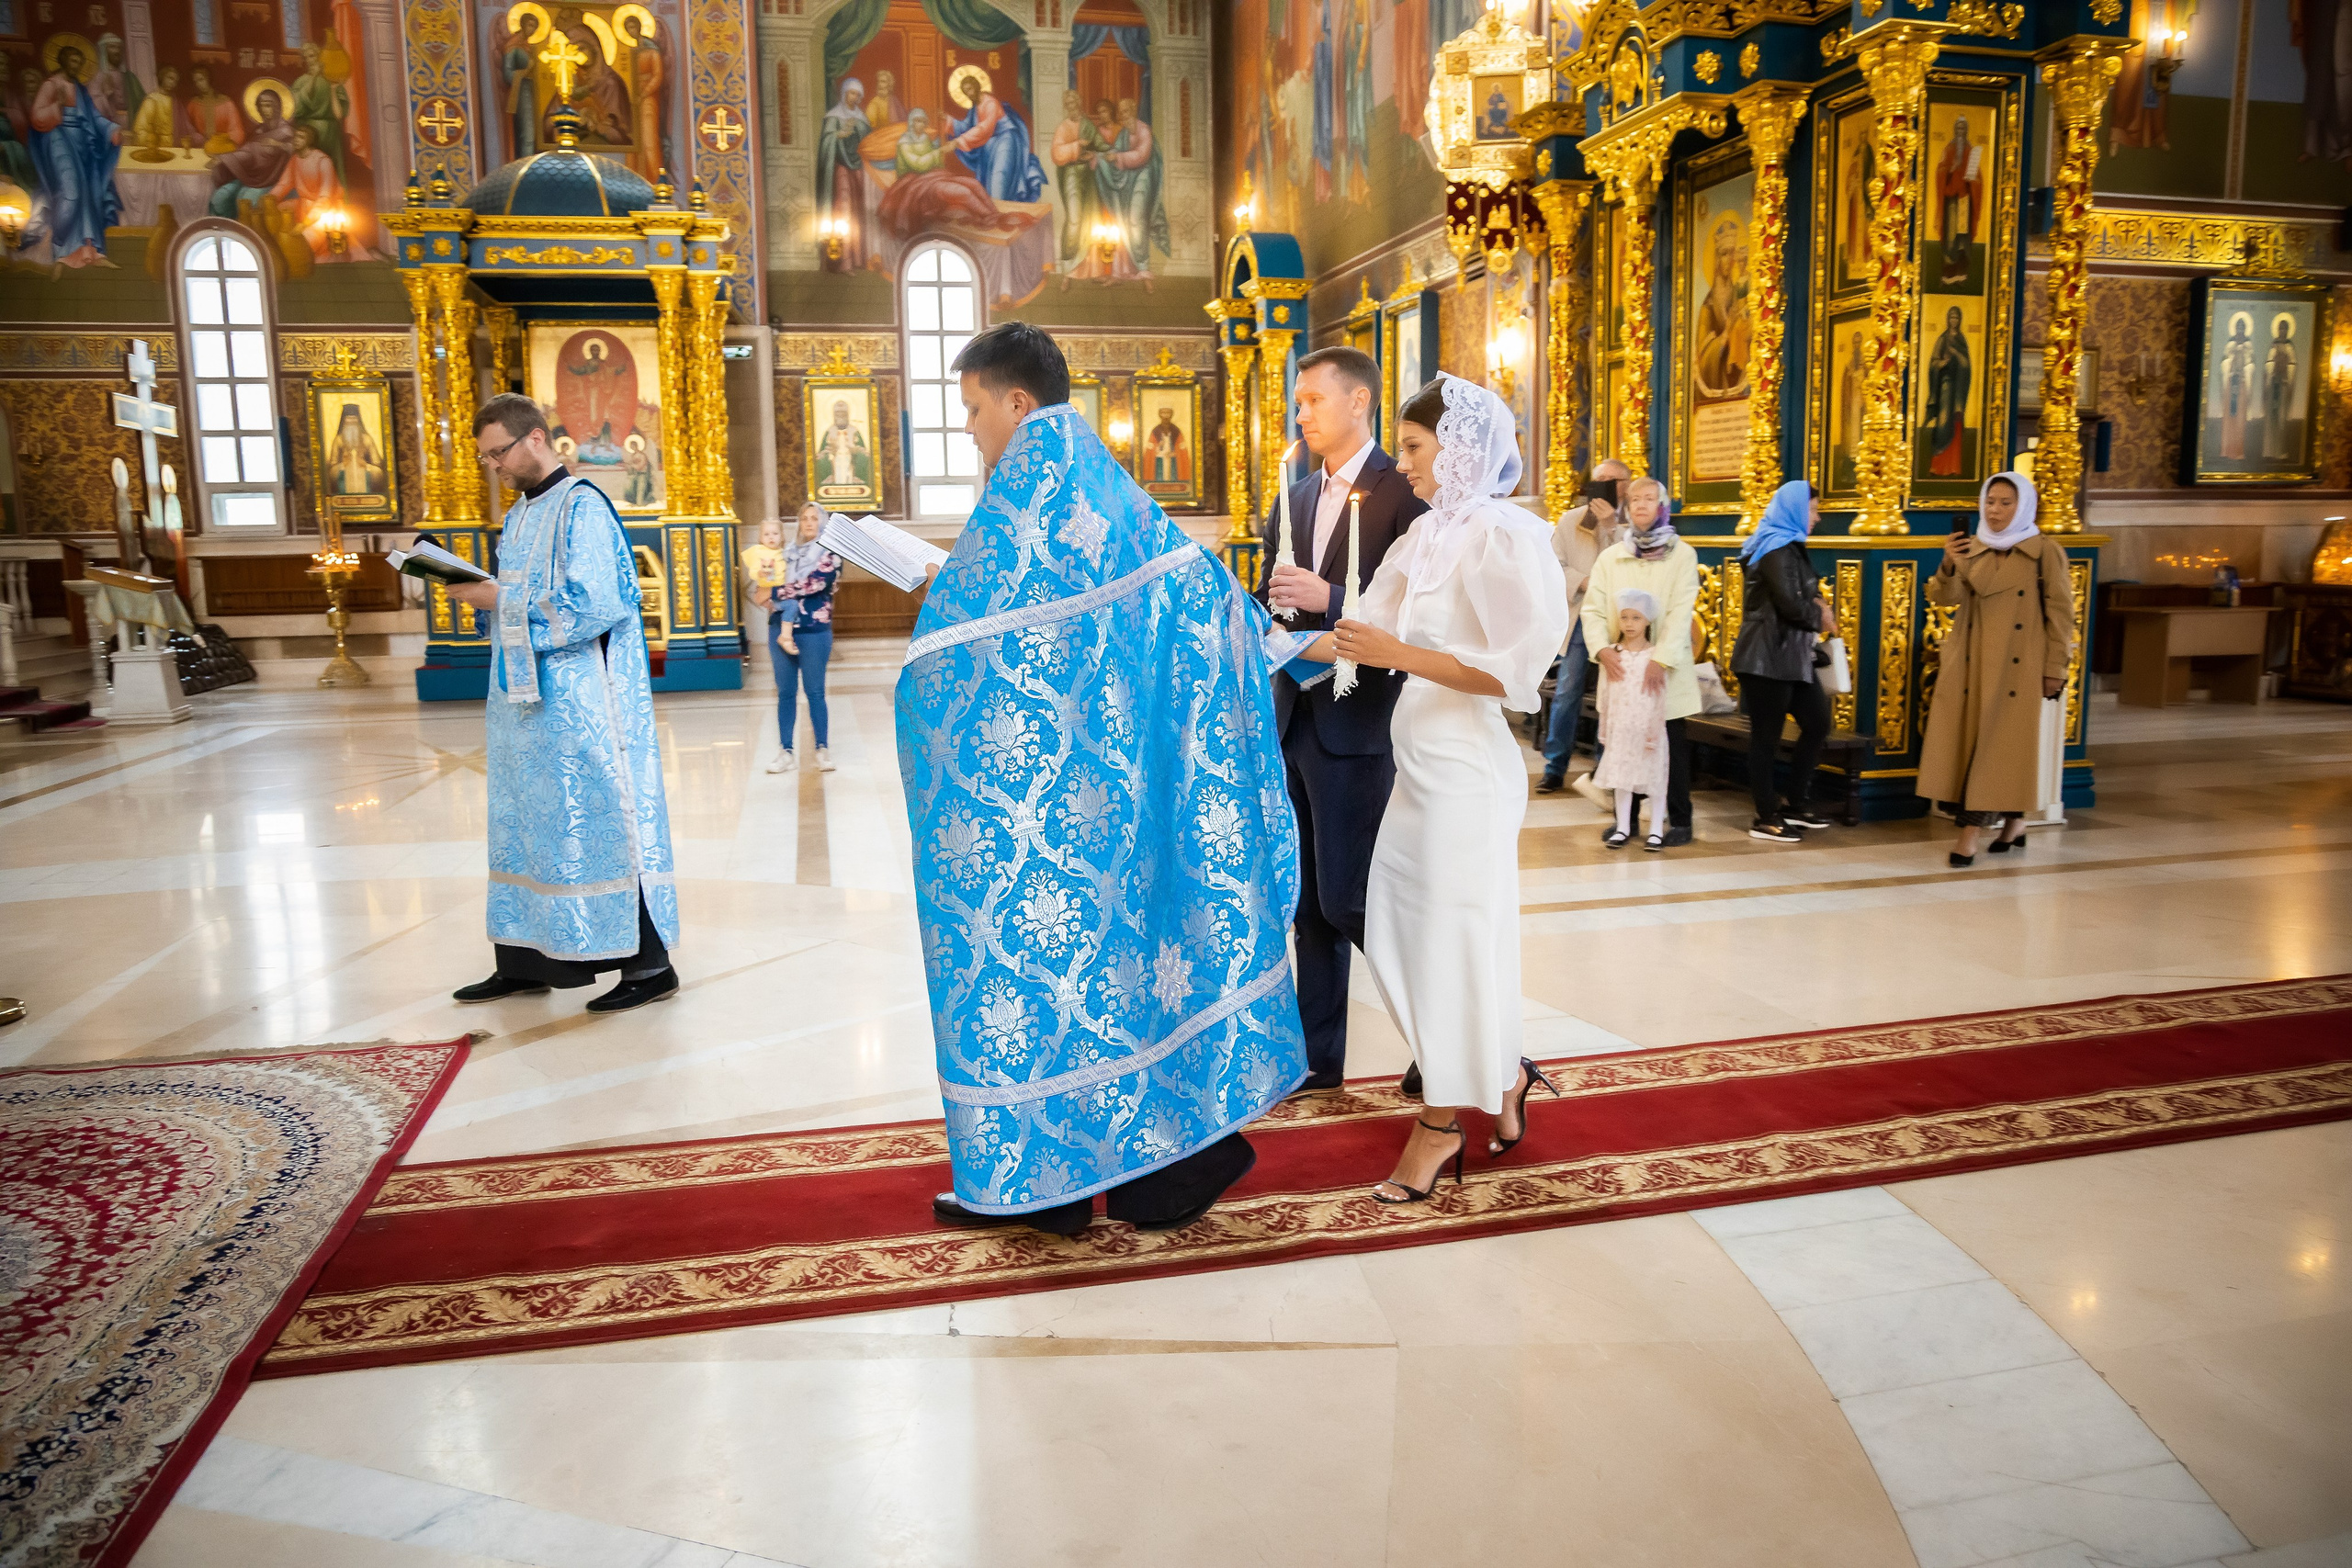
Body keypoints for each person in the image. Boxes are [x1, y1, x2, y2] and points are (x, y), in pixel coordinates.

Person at [904, 321, 1307, 1235]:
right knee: (1114, 973)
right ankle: (1154, 1172)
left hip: (1047, 796)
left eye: (972, 410)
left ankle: (1071, 1183)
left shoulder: (1035, 481)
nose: (969, 430)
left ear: (1017, 403)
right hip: (1104, 792)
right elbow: (1182, 594)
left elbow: (990, 633)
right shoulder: (1092, 479)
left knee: (1052, 974)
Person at [1300, 375, 1569, 1202]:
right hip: (1415, 768)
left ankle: (1441, 1123)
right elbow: (1355, 639)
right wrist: (1252, 640)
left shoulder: (1502, 534)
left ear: (1458, 450)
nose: (1405, 464)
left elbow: (1516, 673)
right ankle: (1505, 1076)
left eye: (1415, 448)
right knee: (1401, 928)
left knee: (1449, 944)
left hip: (1466, 773)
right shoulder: (1421, 541)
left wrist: (1397, 655)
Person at [446, 393, 683, 1013]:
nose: (492, 465)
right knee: (526, 828)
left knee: (603, 820)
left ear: (533, 440)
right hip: (524, 707)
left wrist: (499, 599)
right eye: (483, 457)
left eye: (497, 452)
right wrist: (486, 601)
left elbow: (596, 602)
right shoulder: (520, 516)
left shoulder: (584, 507)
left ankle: (650, 966)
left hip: (582, 703)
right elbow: (514, 601)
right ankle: (525, 958)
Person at [1258, 344, 1430, 1093]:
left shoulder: (1403, 498)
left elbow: (1420, 619)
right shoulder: (1293, 497)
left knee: (1351, 896)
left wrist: (1328, 599)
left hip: (1362, 721)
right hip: (1298, 713)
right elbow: (1281, 601)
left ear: (1359, 402)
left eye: (1314, 400)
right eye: (1299, 404)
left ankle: (1450, 1031)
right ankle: (1317, 1059)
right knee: (1308, 906)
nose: (1302, 414)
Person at [1917, 471, 2075, 866]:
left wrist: (2055, 666)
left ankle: (1968, 835)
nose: (1997, 510)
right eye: (1990, 502)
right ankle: (2013, 824)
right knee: (1986, 748)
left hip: (2018, 667)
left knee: (2000, 749)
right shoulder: (1973, 548)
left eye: (2006, 502)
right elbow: (1944, 598)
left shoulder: (2045, 551)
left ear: (2024, 506)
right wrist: (1949, 564)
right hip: (1969, 663)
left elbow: (2061, 614)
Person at [1579, 476, 1701, 849]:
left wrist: (1660, 659)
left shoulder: (1682, 554)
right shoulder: (1612, 555)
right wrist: (1601, 649)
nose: (1642, 505)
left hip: (1662, 669)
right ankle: (1625, 821)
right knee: (1623, 744)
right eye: (1635, 499)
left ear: (1662, 505)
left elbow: (1682, 612)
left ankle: (1680, 820)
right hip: (1621, 665)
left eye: (1650, 499)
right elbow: (1594, 609)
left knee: (1670, 746)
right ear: (1627, 508)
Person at [1730, 479, 1837, 844]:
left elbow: (1801, 594)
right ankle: (1766, 816)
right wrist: (1819, 614)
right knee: (1766, 738)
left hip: (1792, 656)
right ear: (1793, 509)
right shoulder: (1775, 548)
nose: (1817, 517)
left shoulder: (1789, 546)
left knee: (1818, 722)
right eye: (1813, 509)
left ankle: (1795, 801)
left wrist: (1817, 604)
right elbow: (1790, 604)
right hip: (1766, 657)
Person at [1536, 458, 1630, 795]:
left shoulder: (1633, 524)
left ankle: (1604, 771)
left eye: (1612, 480)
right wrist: (1582, 580)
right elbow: (1551, 566)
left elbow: (1630, 562)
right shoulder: (1570, 520)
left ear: (1626, 485)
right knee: (1567, 692)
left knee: (1611, 696)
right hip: (1580, 617)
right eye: (1599, 480)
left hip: (1619, 623)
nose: (1604, 485)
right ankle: (1554, 767)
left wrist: (1611, 527)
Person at [1591, 589, 1673, 850]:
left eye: (1636, 618)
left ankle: (1657, 830)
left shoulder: (1655, 657)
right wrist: (1605, 727)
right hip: (1621, 728)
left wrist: (1653, 729)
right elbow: (1606, 693)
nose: (1629, 623)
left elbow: (1660, 697)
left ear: (1648, 620)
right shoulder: (1614, 654)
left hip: (1647, 727)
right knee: (1621, 777)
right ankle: (1623, 827)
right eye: (1624, 617)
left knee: (1654, 779)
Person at [29, 45, 120, 271]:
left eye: (79, 62)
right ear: (62, 61)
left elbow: (95, 117)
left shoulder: (80, 89)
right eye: (72, 60)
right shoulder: (51, 85)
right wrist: (57, 105)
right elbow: (37, 117)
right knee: (71, 193)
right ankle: (59, 246)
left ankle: (92, 252)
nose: (76, 65)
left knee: (90, 193)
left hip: (82, 143)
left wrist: (111, 129)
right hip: (59, 138)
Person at [763, 501, 838, 775]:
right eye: (804, 518)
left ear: (823, 522)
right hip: (779, 629)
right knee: (785, 693)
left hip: (814, 631)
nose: (809, 523)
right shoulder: (786, 553)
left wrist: (775, 593)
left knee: (815, 692)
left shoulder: (831, 554)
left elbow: (814, 584)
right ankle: (785, 751)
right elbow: (764, 582)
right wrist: (770, 590)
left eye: (814, 518)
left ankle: (822, 749)